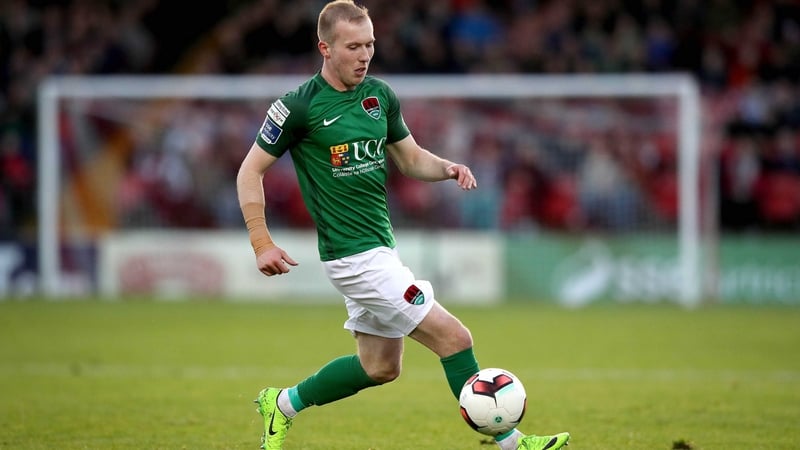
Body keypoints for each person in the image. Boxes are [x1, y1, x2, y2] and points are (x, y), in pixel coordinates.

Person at [236, 1, 570, 449]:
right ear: (325, 48)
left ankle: (282, 404)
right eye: (353, 46)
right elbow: (249, 171)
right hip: (354, 258)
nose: (364, 55)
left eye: (370, 44)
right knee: (455, 337)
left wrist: (448, 167)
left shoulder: (379, 96)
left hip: (379, 250)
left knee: (380, 367)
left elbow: (411, 159)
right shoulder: (298, 106)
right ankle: (513, 443)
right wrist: (261, 241)